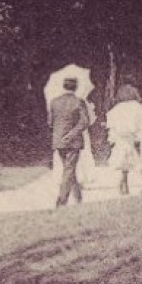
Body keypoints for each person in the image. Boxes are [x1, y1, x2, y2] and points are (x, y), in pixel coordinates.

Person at [48, 76, 90, 208]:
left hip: (58, 141)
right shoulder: (79, 102)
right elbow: (84, 122)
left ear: (63, 86)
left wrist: (61, 135)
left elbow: (50, 122)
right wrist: (71, 135)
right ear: (76, 87)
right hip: (73, 142)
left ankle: (78, 197)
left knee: (69, 169)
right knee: (69, 169)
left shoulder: (54, 102)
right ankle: (61, 200)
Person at [104, 84, 142, 195]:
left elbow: (110, 126)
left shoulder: (115, 109)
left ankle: (123, 182)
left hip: (119, 138)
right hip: (131, 137)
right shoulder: (138, 107)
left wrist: (112, 139)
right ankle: (124, 183)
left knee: (122, 161)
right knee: (128, 160)